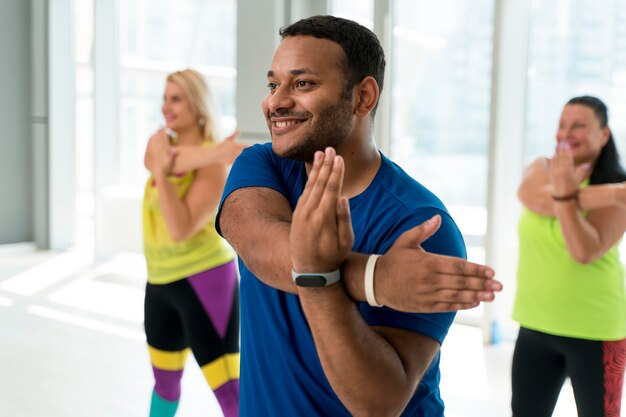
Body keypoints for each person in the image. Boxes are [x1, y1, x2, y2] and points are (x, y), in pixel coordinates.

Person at [215, 15, 502, 416]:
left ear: (363, 97)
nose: (275, 101)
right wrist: (375, 278)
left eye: (303, 84)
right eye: (273, 84)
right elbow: (259, 243)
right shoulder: (263, 166)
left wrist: (324, 275)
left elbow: (378, 403)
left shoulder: (422, 227)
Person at [512, 95, 626, 417]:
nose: (565, 133)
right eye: (561, 125)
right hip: (535, 323)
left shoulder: (617, 183)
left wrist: (563, 196)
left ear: (604, 134)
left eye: (578, 125)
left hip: (595, 329)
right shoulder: (541, 167)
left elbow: (583, 251)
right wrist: (611, 195)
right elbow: (530, 195)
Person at [142, 68, 245, 417]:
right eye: (164, 97)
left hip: (205, 281)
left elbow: (180, 229)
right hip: (159, 282)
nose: (166, 106)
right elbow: (164, 159)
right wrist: (216, 151)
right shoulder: (162, 146)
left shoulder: (214, 167)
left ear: (198, 104)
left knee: (230, 394)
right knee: (165, 386)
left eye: (176, 98)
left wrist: (162, 172)